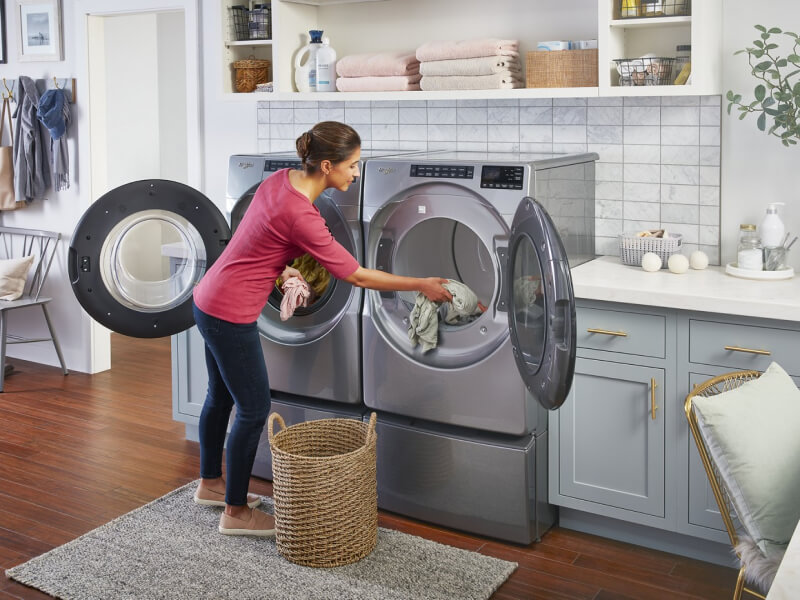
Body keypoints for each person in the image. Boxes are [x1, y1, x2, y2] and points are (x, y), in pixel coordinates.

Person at [191, 121, 453, 536]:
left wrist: (282, 268)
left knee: (220, 396)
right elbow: (357, 275)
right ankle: (236, 513)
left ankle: (210, 484)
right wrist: (421, 284)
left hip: (208, 299)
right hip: (231, 313)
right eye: (352, 165)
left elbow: (255, 238)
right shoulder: (301, 215)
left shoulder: (279, 180)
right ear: (327, 165)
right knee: (254, 409)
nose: (356, 174)